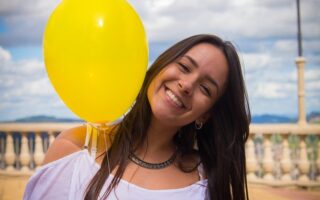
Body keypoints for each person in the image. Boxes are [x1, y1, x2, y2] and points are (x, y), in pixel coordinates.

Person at [24, 34, 251, 200]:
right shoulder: (75, 150)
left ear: (206, 114)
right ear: (161, 64)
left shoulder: (204, 183)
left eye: (206, 89)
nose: (187, 85)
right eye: (183, 66)